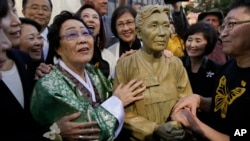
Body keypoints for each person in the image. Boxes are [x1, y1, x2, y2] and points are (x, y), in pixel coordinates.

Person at [30, 11, 146, 141]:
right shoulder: (48, 85)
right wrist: (117, 101)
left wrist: (121, 67)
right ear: (57, 48)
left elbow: (109, 91)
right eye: (72, 34)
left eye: (86, 33)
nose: (82, 39)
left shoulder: (91, 71)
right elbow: (90, 132)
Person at [171, 0, 250, 140]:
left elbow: (238, 135)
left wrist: (196, 125)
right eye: (224, 26)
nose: (223, 34)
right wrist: (199, 100)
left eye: (231, 24)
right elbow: (222, 105)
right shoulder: (228, 67)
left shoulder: (216, 67)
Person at [113, 5, 192, 141]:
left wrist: (177, 124)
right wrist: (153, 128)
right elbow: (121, 111)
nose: (162, 33)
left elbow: (187, 102)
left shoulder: (175, 64)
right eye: (154, 26)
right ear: (138, 32)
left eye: (166, 26)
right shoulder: (125, 65)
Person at [180, 21, 222, 138]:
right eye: (189, 39)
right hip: (178, 123)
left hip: (205, 128)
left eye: (198, 41)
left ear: (209, 43)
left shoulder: (217, 69)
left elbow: (217, 101)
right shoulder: (177, 63)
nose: (192, 45)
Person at [75, 2, 116, 78]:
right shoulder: (70, 54)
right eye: (86, 16)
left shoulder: (109, 57)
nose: (91, 20)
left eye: (95, 17)